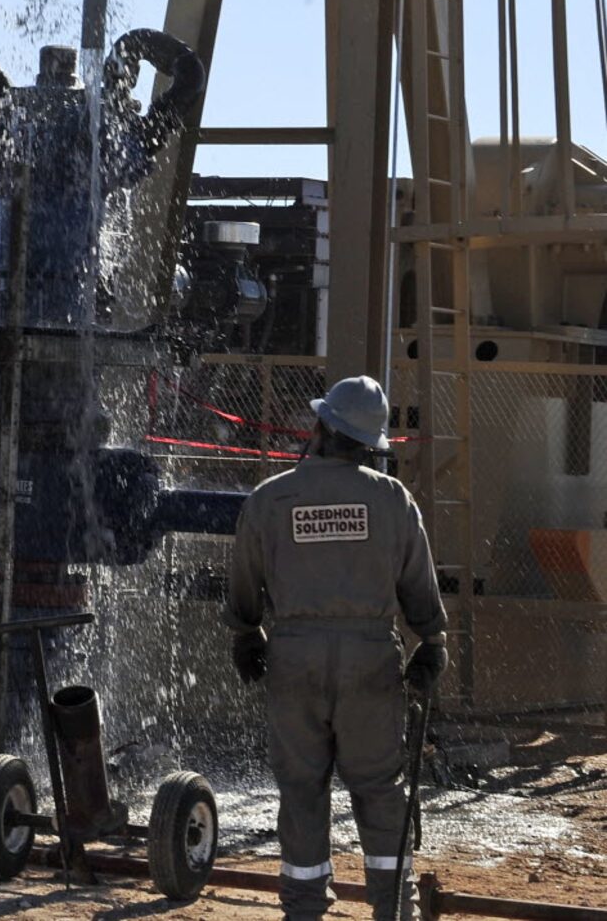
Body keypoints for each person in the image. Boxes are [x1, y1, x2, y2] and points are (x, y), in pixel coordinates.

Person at [224, 375, 448, 921]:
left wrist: (247, 631)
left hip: (294, 657)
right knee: (378, 786)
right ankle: (393, 909)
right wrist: (432, 641)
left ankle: (304, 909)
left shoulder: (272, 498)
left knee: (302, 788)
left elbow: (245, 579)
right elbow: (419, 586)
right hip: (370, 658)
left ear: (321, 428)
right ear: (369, 445)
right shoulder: (393, 499)